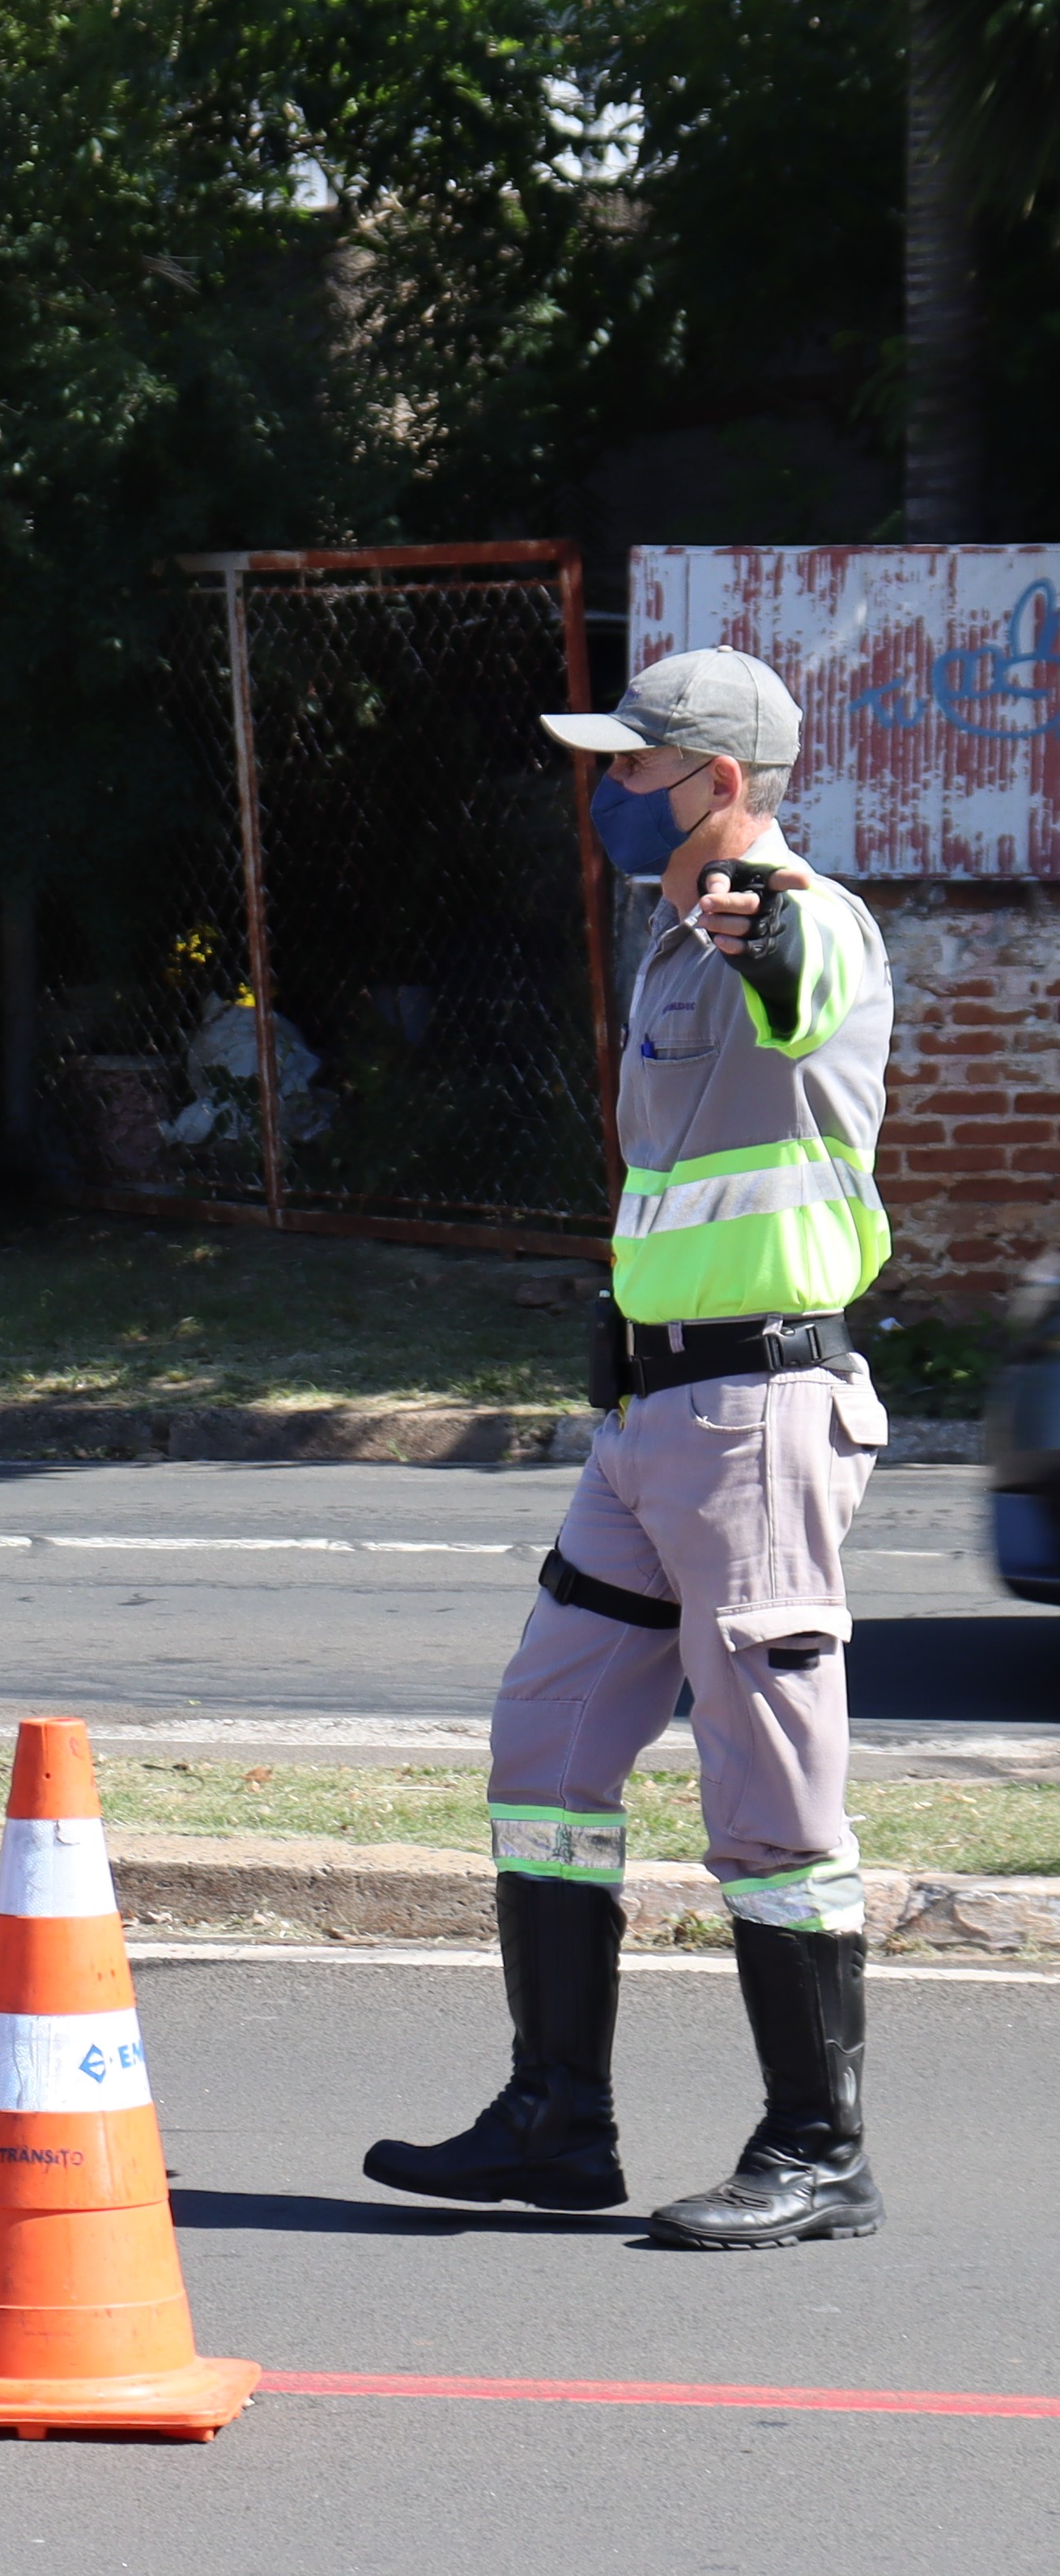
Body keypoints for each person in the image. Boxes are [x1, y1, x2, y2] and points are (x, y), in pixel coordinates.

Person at [366, 648, 892, 2249]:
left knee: (769, 1788)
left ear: (720, 783)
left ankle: (818, 2146)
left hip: (755, 1416)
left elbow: (803, 980)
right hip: (651, 1421)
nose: (610, 791)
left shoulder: (796, 918)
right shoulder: (673, 944)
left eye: (638, 767)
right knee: (548, 1741)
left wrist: (771, 923)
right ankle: (556, 2119)